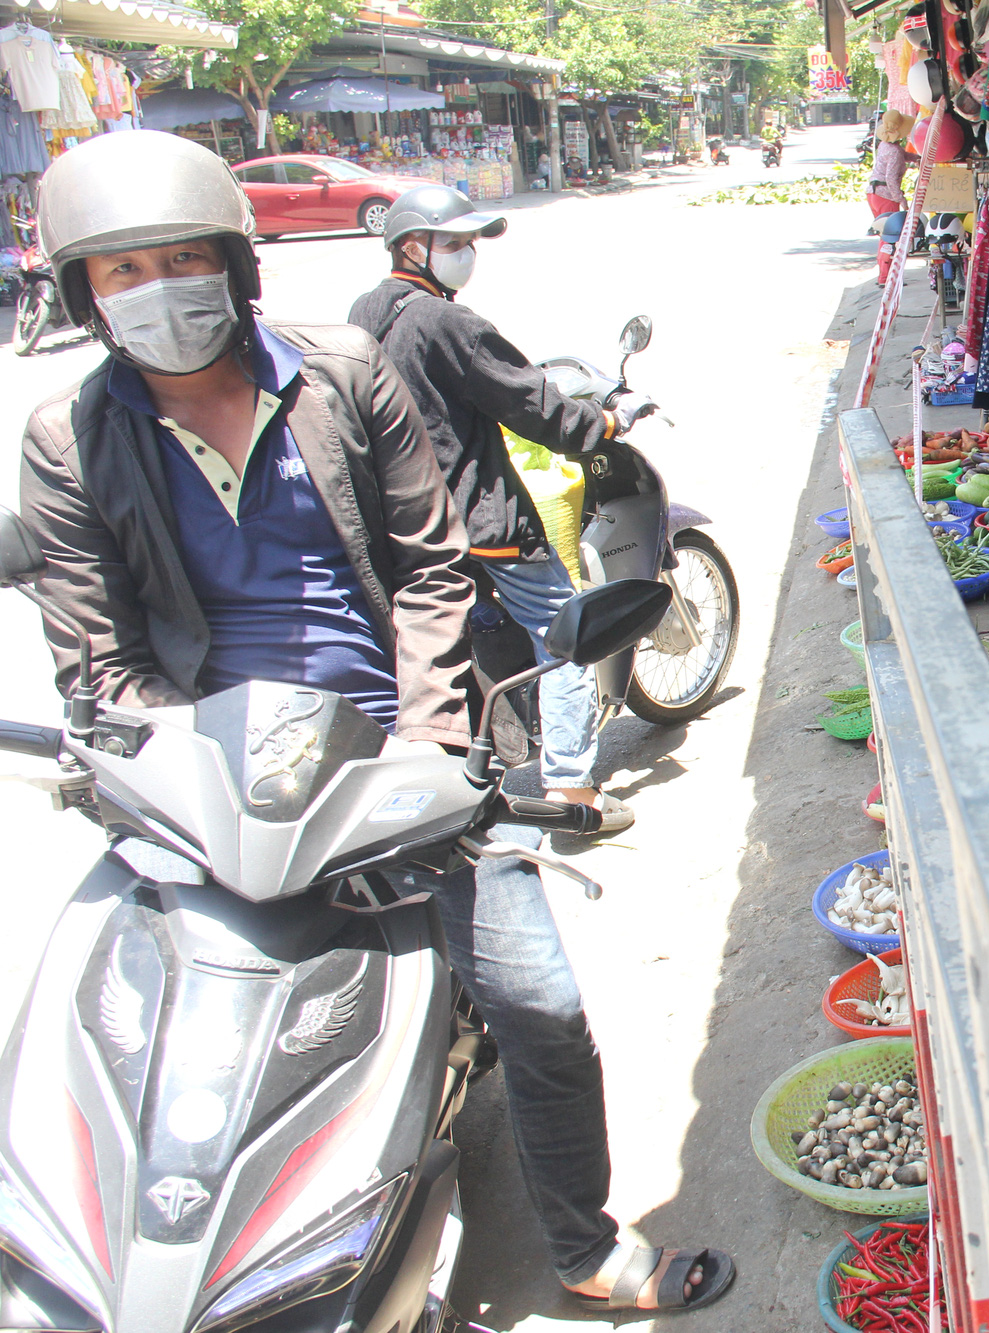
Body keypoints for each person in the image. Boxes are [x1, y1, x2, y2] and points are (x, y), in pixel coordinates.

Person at [20, 130, 733, 1314]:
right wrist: (172, 770)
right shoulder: (67, 439)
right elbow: (100, 657)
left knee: (541, 1006)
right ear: (84, 292)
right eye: (125, 271)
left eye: (183, 259)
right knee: (134, 1050)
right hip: (209, 785)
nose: (159, 292)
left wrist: (429, 739)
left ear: (233, 266)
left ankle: (581, 1244)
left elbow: (431, 568)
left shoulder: (344, 373)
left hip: (396, 758)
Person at [350, 185, 654, 835]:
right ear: (412, 246)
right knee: (565, 635)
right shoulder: (449, 323)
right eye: (455, 243)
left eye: (470, 243)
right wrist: (604, 421)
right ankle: (573, 788)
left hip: (404, 523)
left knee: (431, 646)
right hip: (477, 521)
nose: (467, 254)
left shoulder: (368, 312)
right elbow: (533, 404)